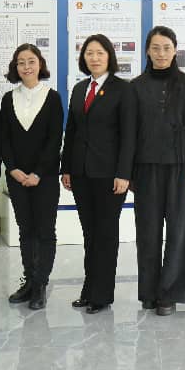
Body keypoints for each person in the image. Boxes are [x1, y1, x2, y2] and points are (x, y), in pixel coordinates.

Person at [130, 26, 185, 316]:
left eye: (166, 48)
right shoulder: (135, 86)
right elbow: (129, 133)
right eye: (155, 48)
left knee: (180, 231)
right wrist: (130, 172)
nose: (161, 53)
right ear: (147, 51)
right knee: (147, 232)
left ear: (175, 51)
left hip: (182, 167)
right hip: (146, 168)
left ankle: (170, 294)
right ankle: (149, 292)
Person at [61, 33, 137, 314]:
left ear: (109, 57)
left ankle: (102, 295)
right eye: (89, 53)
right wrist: (66, 168)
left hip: (110, 175)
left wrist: (124, 173)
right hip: (81, 173)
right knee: (90, 234)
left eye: (100, 53)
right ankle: (88, 289)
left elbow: (129, 135)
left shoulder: (123, 89)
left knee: (105, 234)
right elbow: (72, 132)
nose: (94, 58)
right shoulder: (80, 88)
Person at [0, 44, 63, 310]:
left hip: (44, 177)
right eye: (21, 62)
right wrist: (12, 168)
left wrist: (38, 172)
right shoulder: (8, 98)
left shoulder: (52, 97)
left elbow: (54, 139)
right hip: (16, 177)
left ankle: (40, 285)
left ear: (40, 64)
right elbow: (3, 138)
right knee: (25, 229)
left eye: (31, 61)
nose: (26, 67)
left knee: (45, 230)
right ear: (15, 67)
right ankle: (29, 281)